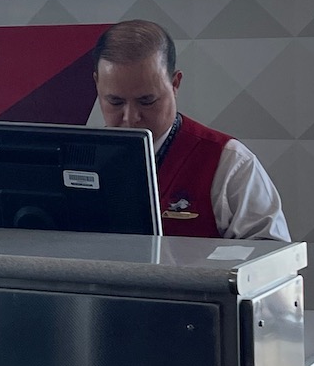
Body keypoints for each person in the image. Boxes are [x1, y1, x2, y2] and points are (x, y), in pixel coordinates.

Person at [92, 19, 290, 241]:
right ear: (97, 85)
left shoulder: (229, 162)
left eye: (147, 101)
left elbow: (271, 262)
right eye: (115, 102)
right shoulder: (80, 157)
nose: (130, 118)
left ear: (175, 84)